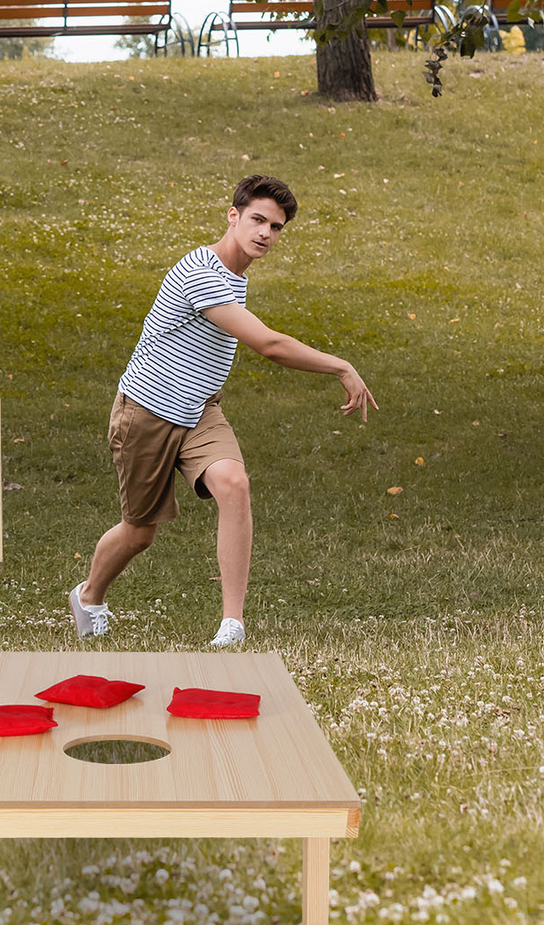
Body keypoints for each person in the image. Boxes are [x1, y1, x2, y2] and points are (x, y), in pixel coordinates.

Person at [70, 174, 377, 649]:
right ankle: (90, 596)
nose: (265, 234)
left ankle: (232, 626)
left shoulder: (236, 275)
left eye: (276, 228)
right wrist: (341, 366)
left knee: (234, 484)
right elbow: (269, 345)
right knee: (139, 533)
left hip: (199, 410)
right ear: (232, 216)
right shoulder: (201, 273)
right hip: (146, 413)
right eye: (257, 220)